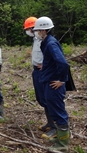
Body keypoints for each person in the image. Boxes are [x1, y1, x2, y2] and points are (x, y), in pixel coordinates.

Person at [33, 16, 70, 152]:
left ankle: (63, 145)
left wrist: (62, 80)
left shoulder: (50, 43)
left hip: (54, 83)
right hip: (49, 81)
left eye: (37, 30)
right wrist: (46, 66)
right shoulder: (46, 42)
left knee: (59, 112)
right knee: (55, 111)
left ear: (43, 30)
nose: (35, 32)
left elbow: (62, 63)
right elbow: (53, 61)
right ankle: (61, 137)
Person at [23, 17, 57, 139]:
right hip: (37, 71)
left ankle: (55, 127)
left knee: (49, 99)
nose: (28, 31)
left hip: (45, 72)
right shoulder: (36, 40)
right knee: (42, 99)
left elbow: (56, 59)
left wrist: (46, 66)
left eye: (29, 29)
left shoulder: (47, 41)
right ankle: (49, 122)